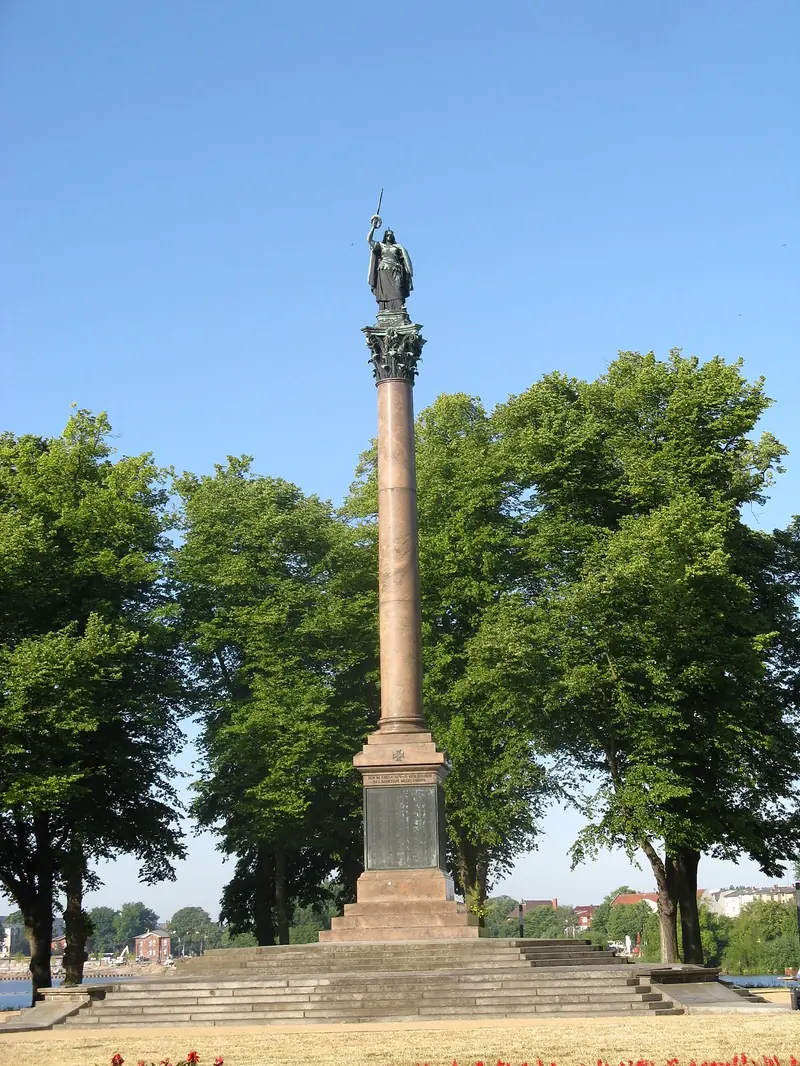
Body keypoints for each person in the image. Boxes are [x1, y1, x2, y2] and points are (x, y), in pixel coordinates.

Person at [368, 215, 413, 310]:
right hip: (384, 271)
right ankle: (385, 309)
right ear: (385, 236)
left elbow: (405, 261)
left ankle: (400, 307)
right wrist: (373, 227)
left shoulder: (398, 247)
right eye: (387, 235)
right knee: (384, 292)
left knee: (398, 289)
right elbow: (369, 240)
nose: (389, 236)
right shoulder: (381, 246)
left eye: (391, 235)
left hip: (396, 270)